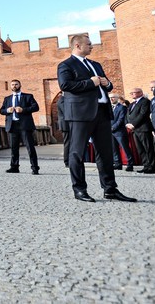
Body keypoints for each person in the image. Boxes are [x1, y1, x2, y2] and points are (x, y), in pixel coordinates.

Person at [57, 34, 136, 202]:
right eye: (89, 44)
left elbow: (107, 84)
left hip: (102, 111)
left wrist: (108, 84)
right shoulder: (66, 65)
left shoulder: (96, 65)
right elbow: (65, 85)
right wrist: (90, 83)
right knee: (77, 153)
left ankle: (110, 189)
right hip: (80, 114)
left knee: (106, 153)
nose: (92, 46)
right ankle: (79, 190)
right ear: (77, 46)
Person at [0, 80, 40, 174]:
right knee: (14, 148)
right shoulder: (7, 98)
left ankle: (35, 168)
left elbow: (36, 107)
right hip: (12, 125)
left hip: (25, 125)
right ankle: (14, 167)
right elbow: (1, 111)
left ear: (20, 85)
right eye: (12, 85)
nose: (14, 86)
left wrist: (23, 110)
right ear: (10, 86)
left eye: (16, 84)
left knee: (30, 147)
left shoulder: (28, 96)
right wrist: (7, 110)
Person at [126, 87, 155, 174]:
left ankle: (152, 166)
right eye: (131, 93)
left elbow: (143, 114)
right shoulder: (132, 104)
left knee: (148, 148)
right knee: (140, 149)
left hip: (143, 128)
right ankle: (146, 165)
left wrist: (133, 124)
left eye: (133, 93)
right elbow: (128, 115)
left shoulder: (145, 101)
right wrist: (127, 123)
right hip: (134, 130)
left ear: (140, 93)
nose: (131, 94)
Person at [108, 93, 134, 171]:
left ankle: (130, 164)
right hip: (110, 132)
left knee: (125, 148)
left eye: (113, 97)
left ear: (117, 98)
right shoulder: (108, 108)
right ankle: (117, 164)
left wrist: (113, 128)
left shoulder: (122, 107)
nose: (111, 99)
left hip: (119, 131)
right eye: (110, 98)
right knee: (114, 149)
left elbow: (121, 119)